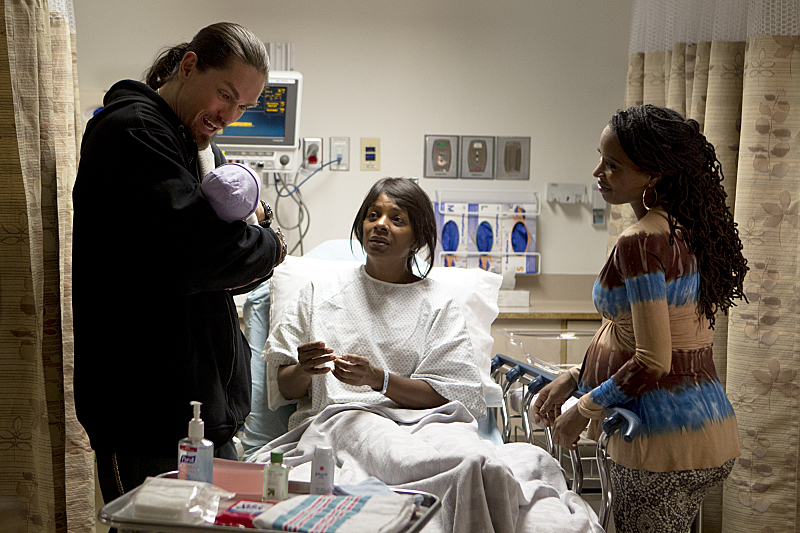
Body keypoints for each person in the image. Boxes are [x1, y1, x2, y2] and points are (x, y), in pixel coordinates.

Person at [72, 22, 287, 505]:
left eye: (243, 108)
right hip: (146, 420)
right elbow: (202, 255)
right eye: (224, 95)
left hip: (194, 415)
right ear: (189, 66)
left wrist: (253, 232)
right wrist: (272, 244)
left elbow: (217, 260)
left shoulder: (192, 146)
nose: (228, 116)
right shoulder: (134, 135)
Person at [533, 104, 748, 532]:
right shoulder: (689, 230)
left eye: (612, 165)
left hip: (657, 438)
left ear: (653, 175)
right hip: (710, 429)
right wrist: (577, 377)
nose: (598, 172)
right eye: (600, 158)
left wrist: (583, 411)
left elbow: (652, 360)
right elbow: (658, 340)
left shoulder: (641, 242)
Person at [266, 177, 486, 428]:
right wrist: (304, 370)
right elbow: (286, 389)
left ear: (417, 241)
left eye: (397, 219)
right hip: (336, 424)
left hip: (418, 428)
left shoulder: (437, 304)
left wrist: (377, 379)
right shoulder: (321, 292)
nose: (380, 224)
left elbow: (454, 395)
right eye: (373, 215)